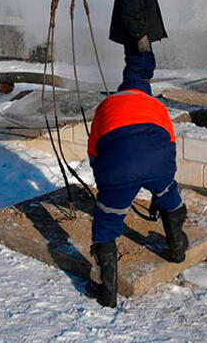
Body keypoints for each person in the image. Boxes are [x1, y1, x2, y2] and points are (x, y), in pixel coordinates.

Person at [87, 77, 188, 308]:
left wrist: (107, 182)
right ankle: (178, 250)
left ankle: (107, 293)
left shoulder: (106, 105)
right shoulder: (156, 105)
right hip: (159, 164)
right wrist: (164, 173)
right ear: (145, 90)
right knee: (169, 196)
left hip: (118, 168)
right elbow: (170, 141)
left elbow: (94, 150)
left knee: (106, 223)